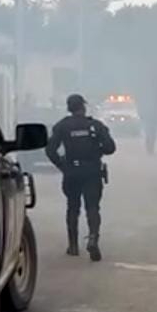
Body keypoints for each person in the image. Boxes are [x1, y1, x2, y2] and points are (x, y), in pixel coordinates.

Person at [46, 93, 117, 260]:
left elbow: (50, 150)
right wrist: (97, 150)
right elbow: (110, 148)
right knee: (92, 207)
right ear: (83, 107)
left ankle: (73, 245)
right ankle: (93, 238)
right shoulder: (95, 126)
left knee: (72, 207)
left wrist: (62, 165)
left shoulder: (62, 126)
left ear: (69, 108)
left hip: (72, 172)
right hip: (92, 171)